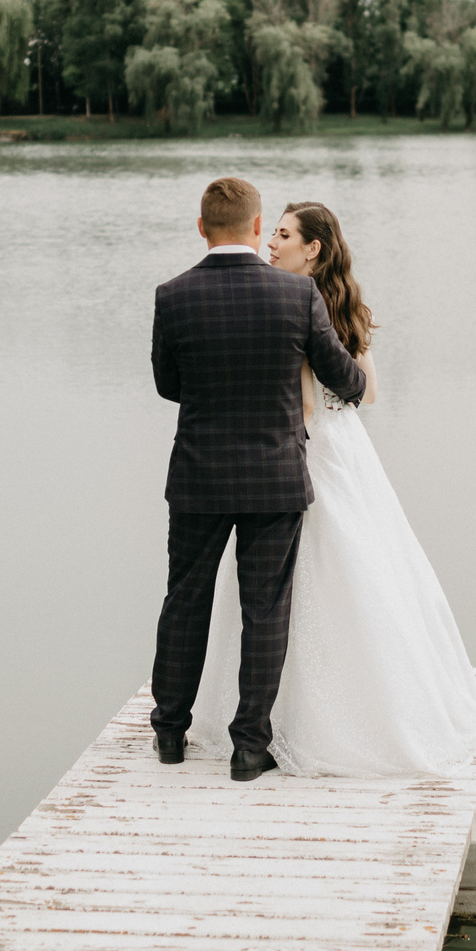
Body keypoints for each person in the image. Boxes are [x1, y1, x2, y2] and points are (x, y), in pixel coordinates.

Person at [181, 200, 476, 778]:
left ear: (313, 248)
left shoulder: (291, 304)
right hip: (343, 451)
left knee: (285, 590)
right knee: (348, 579)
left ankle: (288, 723)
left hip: (300, 452)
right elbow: (368, 392)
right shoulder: (337, 301)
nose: (270, 244)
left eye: (282, 235)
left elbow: (305, 401)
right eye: (270, 233)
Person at [149, 176, 367, 781]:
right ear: (254, 226)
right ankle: (250, 747)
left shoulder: (173, 295)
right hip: (274, 474)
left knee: (184, 599)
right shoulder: (297, 297)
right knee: (265, 609)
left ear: (201, 228)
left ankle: (170, 732)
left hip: (198, 476)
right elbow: (345, 380)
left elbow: (170, 385)